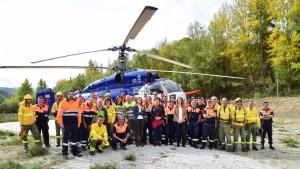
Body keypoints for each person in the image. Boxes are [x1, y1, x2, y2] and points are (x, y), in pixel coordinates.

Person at [57, 90, 82, 157]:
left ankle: (74, 152)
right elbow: (59, 114)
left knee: (74, 137)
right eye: (70, 94)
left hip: (74, 122)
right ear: (67, 95)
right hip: (66, 122)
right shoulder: (63, 102)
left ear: (73, 95)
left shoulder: (76, 103)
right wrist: (61, 123)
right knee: (65, 137)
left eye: (72, 94)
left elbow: (79, 114)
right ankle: (64, 152)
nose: (71, 95)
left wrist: (79, 122)